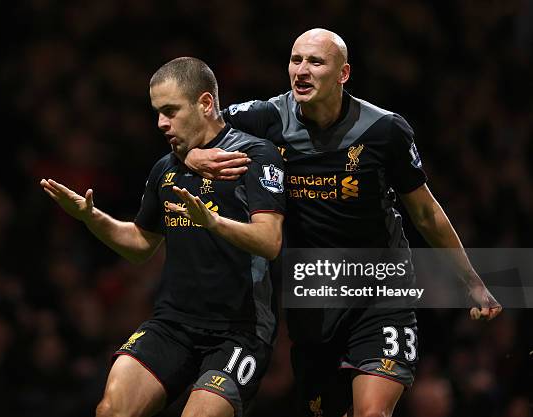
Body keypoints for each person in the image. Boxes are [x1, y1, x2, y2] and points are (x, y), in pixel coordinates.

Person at [185, 29, 502, 417]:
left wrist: (472, 281)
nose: (301, 71)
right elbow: (190, 129)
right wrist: (191, 155)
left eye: (315, 62)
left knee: (372, 413)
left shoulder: (384, 130)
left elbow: (425, 212)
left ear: (343, 74)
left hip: (381, 293)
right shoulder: (264, 118)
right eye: (295, 60)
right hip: (313, 302)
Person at [40, 57, 286, 417]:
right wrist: (91, 217)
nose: (161, 123)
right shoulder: (166, 168)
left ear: (205, 104)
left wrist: (214, 222)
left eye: (170, 111)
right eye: (157, 112)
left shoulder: (254, 155)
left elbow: (270, 241)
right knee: (111, 410)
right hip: (173, 324)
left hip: (240, 329)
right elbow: (141, 244)